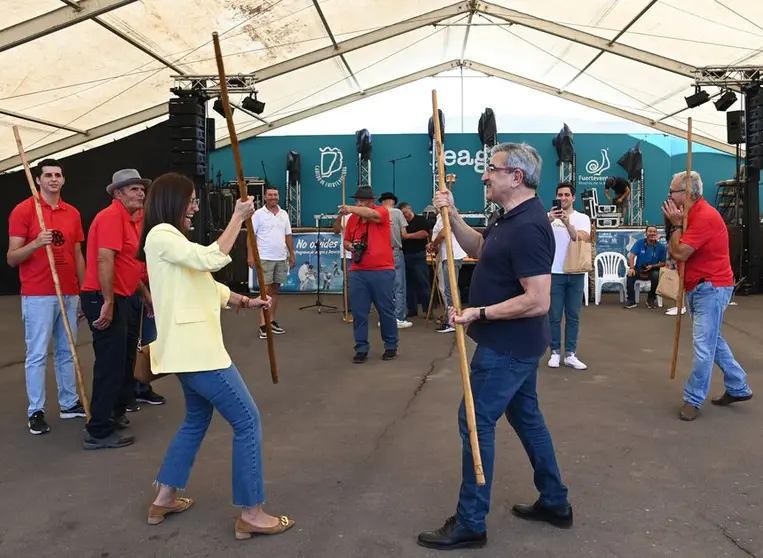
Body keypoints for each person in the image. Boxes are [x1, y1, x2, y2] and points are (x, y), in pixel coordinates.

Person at [417, 143, 572, 551]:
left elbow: (538, 299)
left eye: (492, 169)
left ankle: (470, 522)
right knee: (527, 419)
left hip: (507, 348)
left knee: (474, 420)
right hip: (512, 346)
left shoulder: (530, 226)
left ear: (515, 177)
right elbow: (480, 249)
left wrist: (478, 313)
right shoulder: (510, 219)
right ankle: (555, 501)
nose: (484, 176)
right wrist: (451, 215)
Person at [138, 172, 295, 538]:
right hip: (198, 353)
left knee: (196, 419)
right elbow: (211, 259)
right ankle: (252, 513)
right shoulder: (161, 235)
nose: (194, 206)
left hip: (187, 352)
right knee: (247, 421)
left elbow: (203, 282)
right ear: (174, 201)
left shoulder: (170, 239)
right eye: (191, 200)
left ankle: (164, 496)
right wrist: (238, 218)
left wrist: (243, 299)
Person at [662, 170, 753, 421]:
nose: (669, 196)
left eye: (673, 192)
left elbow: (679, 253)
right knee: (713, 340)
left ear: (687, 194)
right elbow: (673, 251)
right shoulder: (689, 216)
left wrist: (677, 226)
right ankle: (738, 385)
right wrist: (676, 226)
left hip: (710, 287)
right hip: (699, 286)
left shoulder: (703, 217)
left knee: (704, 345)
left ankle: (693, 398)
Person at [7, 158, 87, 435]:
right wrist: (36, 243)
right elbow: (12, 258)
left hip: (68, 292)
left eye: (58, 175)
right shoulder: (24, 211)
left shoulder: (72, 213)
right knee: (38, 354)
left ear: (63, 180)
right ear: (38, 180)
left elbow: (77, 254)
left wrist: (83, 290)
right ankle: (36, 411)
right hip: (38, 294)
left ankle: (68, 403)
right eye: (48, 175)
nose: (53, 179)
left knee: (67, 352)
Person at [80, 169, 150, 450]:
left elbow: (127, 266)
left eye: (141, 189)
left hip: (119, 295)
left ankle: (112, 413)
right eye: (133, 189)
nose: (140, 193)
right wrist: (108, 301)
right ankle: (97, 430)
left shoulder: (131, 220)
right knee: (110, 363)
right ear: (117, 194)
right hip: (104, 296)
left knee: (121, 359)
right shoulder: (111, 217)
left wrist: (145, 294)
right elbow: (104, 260)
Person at [339, 185, 398, 364]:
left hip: (382, 269)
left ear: (371, 202)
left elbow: (373, 215)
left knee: (385, 310)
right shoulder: (352, 220)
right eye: (356, 201)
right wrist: (351, 246)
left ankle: (391, 345)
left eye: (362, 201)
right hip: (359, 270)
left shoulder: (381, 212)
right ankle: (361, 347)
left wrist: (350, 209)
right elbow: (346, 240)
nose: (358, 204)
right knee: (359, 312)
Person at [547, 183, 590, 370]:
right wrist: (549, 218)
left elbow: (580, 237)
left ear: (573, 198)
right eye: (559, 195)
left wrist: (567, 222)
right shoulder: (547, 217)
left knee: (573, 315)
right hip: (554, 272)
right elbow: (536, 235)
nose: (563, 198)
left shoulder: (582, 218)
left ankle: (571, 354)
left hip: (575, 271)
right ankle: (555, 352)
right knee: (554, 315)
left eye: (566, 195)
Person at [248, 186, 295, 339]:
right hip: (264, 258)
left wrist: (292, 254)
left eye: (275, 194)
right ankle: (263, 325)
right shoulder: (258, 215)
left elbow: (288, 236)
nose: (273, 197)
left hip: (281, 258)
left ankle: (271, 321)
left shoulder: (284, 214)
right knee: (265, 292)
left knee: (275, 291)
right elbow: (250, 236)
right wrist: (250, 256)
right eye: (270, 195)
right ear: (265, 197)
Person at [378, 191, 412, 328]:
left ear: (382, 201)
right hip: (395, 251)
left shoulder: (377, 212)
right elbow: (404, 234)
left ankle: (385, 317)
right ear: (392, 201)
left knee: (385, 287)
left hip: (380, 253)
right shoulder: (397, 213)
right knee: (399, 286)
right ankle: (398, 317)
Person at [399, 202, 433, 317]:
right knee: (408, 284)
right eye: (402, 214)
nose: (405, 216)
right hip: (405, 255)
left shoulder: (420, 220)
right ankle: (412, 309)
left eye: (406, 213)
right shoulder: (402, 223)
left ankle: (428, 309)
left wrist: (407, 236)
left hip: (418, 255)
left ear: (410, 209)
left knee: (423, 283)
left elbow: (424, 233)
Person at [624, 225, 667, 309]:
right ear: (645, 233)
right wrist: (632, 268)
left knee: (656, 276)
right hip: (639, 268)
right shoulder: (640, 242)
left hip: (653, 269)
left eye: (654, 232)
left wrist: (653, 266)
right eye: (650, 231)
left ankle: (651, 299)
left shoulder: (661, 247)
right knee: (630, 275)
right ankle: (631, 301)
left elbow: (663, 263)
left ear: (656, 233)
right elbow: (632, 255)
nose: (652, 233)